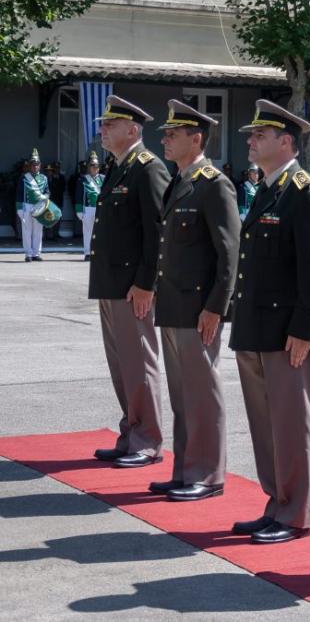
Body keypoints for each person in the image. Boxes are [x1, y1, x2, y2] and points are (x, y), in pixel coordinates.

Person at [228, 99, 310, 544]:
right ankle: (276, 502)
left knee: (291, 425)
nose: (251, 141)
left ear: (286, 141)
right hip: (255, 327)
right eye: (252, 135)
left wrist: (307, 328)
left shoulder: (306, 191)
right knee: (265, 425)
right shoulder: (270, 188)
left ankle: (294, 513)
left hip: (286, 333)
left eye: (259, 135)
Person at [148, 99, 240, 501]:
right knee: (183, 396)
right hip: (173, 307)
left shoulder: (214, 184)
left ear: (196, 138)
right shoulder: (179, 180)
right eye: (165, 133)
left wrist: (217, 306)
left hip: (199, 309)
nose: (165, 139)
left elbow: (229, 253)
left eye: (173, 134)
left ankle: (207, 473)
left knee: (202, 393)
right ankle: (186, 468)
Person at [89, 96, 171, 468]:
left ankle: (147, 439)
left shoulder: (148, 168)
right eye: (103, 124)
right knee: (122, 365)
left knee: (139, 363)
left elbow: (158, 233)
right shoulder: (119, 166)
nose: (103, 129)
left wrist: (147, 283)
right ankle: (131, 431)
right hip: (111, 283)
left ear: (133, 130)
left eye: (110, 124)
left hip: (133, 287)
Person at [17, 148, 48, 262]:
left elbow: (47, 192)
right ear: (30, 165)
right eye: (33, 164)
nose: (35, 166)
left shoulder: (44, 178)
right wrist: (19, 208)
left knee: (38, 231)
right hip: (27, 206)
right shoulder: (24, 178)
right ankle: (28, 254)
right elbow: (19, 193)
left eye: (37, 164)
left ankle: (36, 253)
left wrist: (45, 198)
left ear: (40, 165)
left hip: (39, 206)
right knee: (27, 230)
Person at [76, 152, 104, 261]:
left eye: (97, 166)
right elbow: (78, 195)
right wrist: (79, 210)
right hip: (88, 209)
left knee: (100, 232)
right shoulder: (83, 179)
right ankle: (88, 252)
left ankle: (98, 252)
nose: (95, 168)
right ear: (89, 167)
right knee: (88, 231)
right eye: (93, 166)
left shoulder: (103, 178)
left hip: (100, 209)